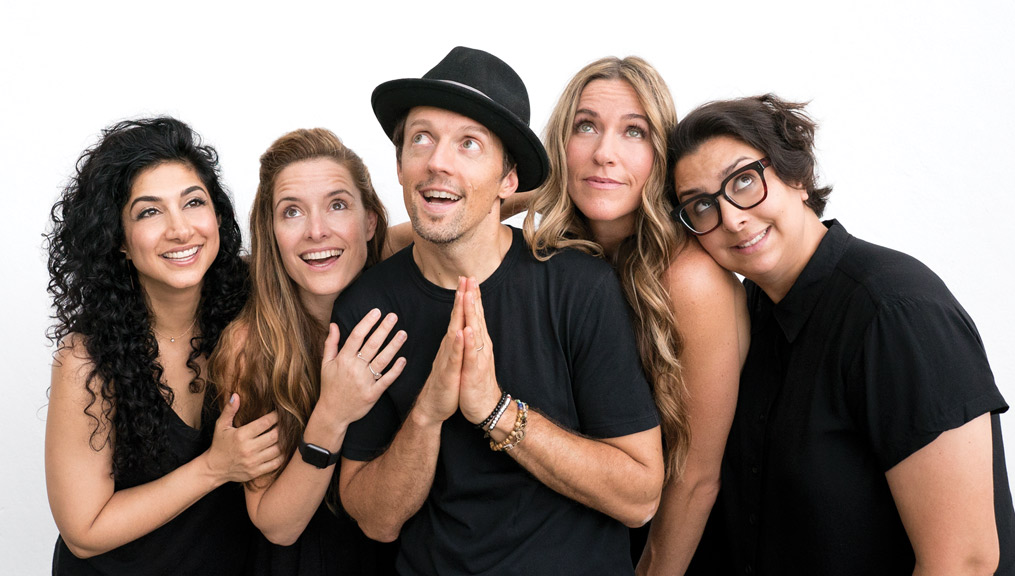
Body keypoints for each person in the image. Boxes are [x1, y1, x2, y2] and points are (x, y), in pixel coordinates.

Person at [332, 46, 664, 575]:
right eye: (422, 138)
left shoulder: (579, 285)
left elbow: (640, 497)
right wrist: (428, 413)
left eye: (469, 144)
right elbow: (375, 521)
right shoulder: (366, 308)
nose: (438, 162)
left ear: (509, 179)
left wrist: (495, 409)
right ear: (398, 166)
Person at [668, 94, 1015, 575]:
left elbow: (965, 562)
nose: (731, 218)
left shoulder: (894, 313)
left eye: (745, 181)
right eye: (701, 205)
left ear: (796, 176)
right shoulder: (745, 314)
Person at [523, 56, 749, 573]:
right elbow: (408, 243)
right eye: (586, 127)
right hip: (593, 538)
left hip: (686, 543)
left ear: (660, 155)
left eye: (634, 132)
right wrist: (520, 189)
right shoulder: (558, 257)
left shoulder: (689, 279)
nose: (604, 153)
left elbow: (696, 478)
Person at [44, 117, 284, 575]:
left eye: (193, 202)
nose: (180, 229)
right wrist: (215, 467)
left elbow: (352, 246)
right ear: (118, 240)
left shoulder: (250, 297)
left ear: (217, 215)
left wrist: (433, 227)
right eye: (149, 212)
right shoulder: (86, 361)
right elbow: (84, 532)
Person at [209, 127, 403, 575]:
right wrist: (332, 413)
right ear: (271, 232)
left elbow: (443, 227)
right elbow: (277, 525)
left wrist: (518, 194)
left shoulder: (403, 295)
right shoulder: (251, 346)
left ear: (370, 222)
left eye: (337, 205)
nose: (317, 231)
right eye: (292, 212)